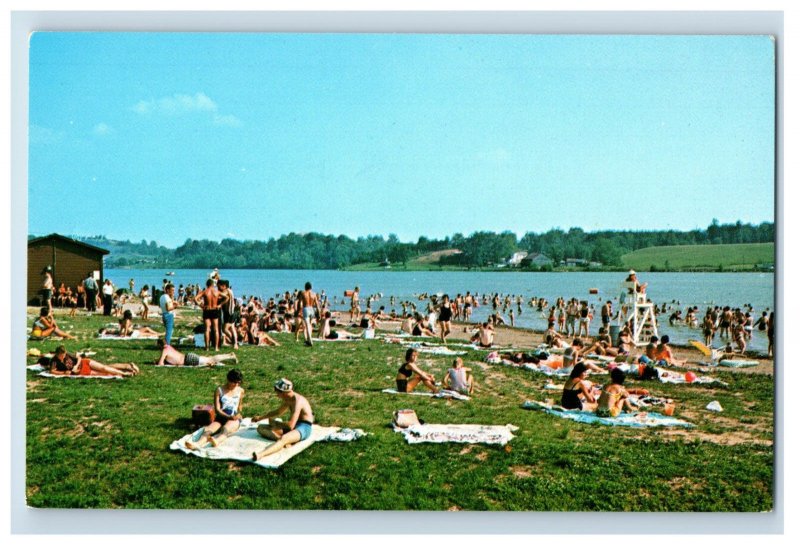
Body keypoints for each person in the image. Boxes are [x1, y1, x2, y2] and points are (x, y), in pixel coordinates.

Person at [252, 378, 315, 461]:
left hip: (304, 427)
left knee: (283, 438)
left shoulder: (297, 401)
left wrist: (276, 424)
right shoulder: (288, 399)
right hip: (295, 425)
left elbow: (290, 426)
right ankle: (288, 441)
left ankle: (261, 454)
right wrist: (260, 418)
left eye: (277, 391)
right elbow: (278, 411)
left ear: (284, 392)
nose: (276, 393)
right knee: (261, 428)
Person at [186, 369, 245, 449]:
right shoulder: (219, 390)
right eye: (234, 382)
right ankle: (197, 444)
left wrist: (238, 413)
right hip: (222, 416)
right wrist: (227, 416)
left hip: (233, 417)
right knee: (209, 429)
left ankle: (217, 441)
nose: (236, 385)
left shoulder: (240, 390)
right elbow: (217, 409)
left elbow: (240, 406)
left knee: (225, 429)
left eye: (238, 382)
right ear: (228, 380)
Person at [47, 345, 139, 377]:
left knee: (104, 367)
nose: (63, 357)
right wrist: (63, 372)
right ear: (57, 354)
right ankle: (126, 368)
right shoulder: (54, 361)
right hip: (82, 371)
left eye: (63, 355)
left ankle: (125, 372)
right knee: (105, 371)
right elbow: (52, 371)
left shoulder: (67, 354)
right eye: (61, 356)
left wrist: (76, 365)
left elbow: (78, 357)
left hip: (84, 363)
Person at [155, 339, 238, 366]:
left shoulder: (165, 350)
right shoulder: (169, 347)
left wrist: (158, 361)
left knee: (211, 359)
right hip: (188, 357)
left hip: (189, 359)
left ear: (160, 345)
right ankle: (229, 355)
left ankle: (230, 356)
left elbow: (160, 363)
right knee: (210, 359)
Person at [195, 279, 221, 351]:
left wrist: (201, 306)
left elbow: (195, 298)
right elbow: (227, 297)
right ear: (213, 284)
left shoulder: (205, 292)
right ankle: (216, 347)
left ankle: (207, 347)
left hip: (207, 310)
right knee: (216, 329)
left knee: (207, 329)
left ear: (207, 285)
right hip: (215, 309)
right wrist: (220, 305)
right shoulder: (217, 291)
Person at [217, 280, 238, 350]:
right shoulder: (230, 290)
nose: (218, 287)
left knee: (225, 329)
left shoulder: (226, 291)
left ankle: (233, 341)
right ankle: (235, 343)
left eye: (219, 286)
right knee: (232, 328)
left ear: (224, 286)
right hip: (232, 311)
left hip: (229, 313)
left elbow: (221, 297)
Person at [299, 282, 320, 347]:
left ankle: (310, 340)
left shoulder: (303, 293)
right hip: (312, 309)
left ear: (305, 287)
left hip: (306, 308)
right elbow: (317, 305)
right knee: (310, 325)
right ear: (311, 287)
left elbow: (300, 303)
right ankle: (308, 339)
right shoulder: (314, 294)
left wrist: (299, 311)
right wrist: (318, 313)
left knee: (307, 325)